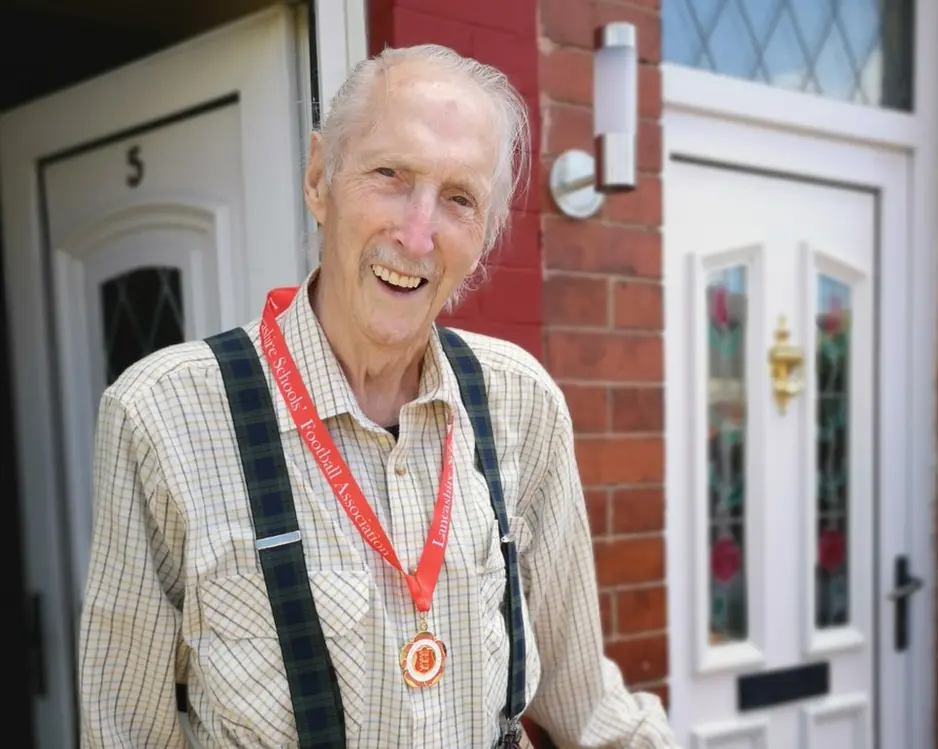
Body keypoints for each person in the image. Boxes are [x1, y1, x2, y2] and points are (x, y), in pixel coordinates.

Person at [78, 44, 679, 749]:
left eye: (459, 199)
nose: (418, 233)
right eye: (390, 175)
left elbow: (589, 710)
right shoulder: (162, 414)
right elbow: (127, 733)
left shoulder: (520, 401)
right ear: (317, 178)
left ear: (482, 236)